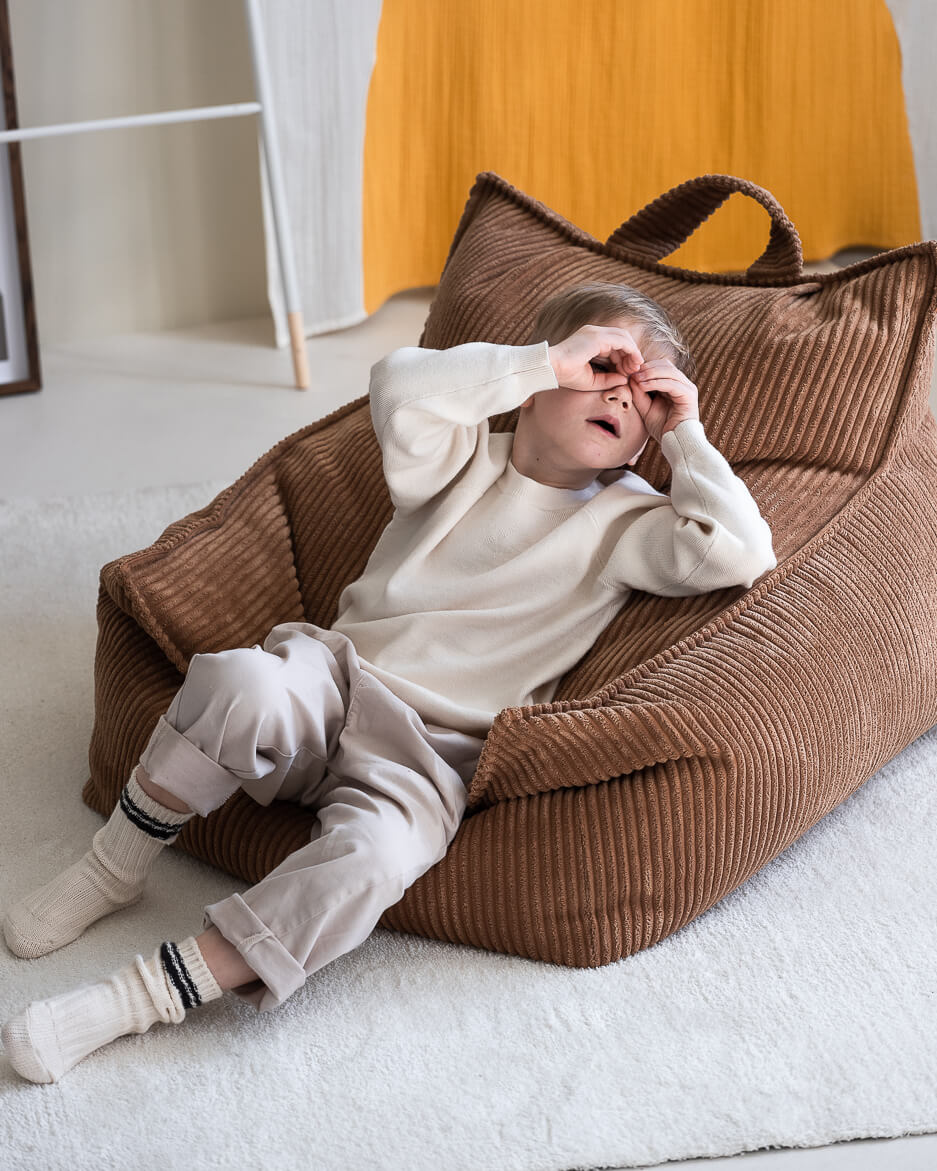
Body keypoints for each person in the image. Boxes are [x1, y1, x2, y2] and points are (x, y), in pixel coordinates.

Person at [1, 281, 777, 1083]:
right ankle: (114, 865)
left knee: (374, 862)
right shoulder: (460, 454)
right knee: (241, 682)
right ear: (538, 378)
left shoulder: (632, 523)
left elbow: (740, 552)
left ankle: (132, 1000)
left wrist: (683, 431)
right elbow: (399, 386)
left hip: (433, 755)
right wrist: (543, 361)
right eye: (604, 363)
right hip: (337, 678)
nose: (621, 388)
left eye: (644, 392)